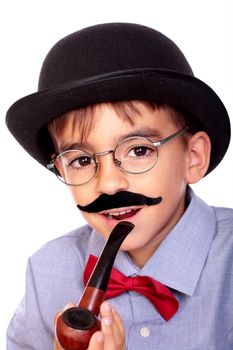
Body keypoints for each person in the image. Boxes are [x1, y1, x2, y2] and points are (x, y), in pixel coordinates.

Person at [5, 23, 232, 350]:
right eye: (81, 160)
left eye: (139, 150)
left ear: (193, 157)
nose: (109, 184)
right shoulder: (47, 270)